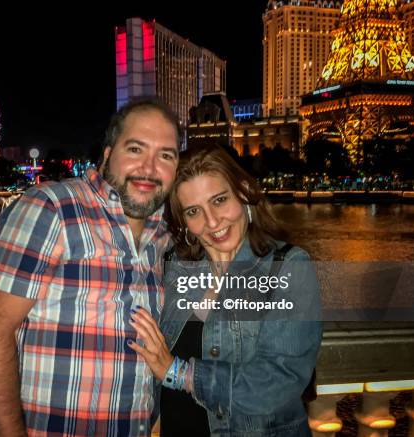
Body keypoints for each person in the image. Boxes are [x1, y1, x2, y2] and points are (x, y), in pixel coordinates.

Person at [0, 99, 181, 437]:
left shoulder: (164, 237)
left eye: (166, 155)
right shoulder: (51, 207)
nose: (150, 167)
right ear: (108, 154)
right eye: (136, 149)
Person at [128, 145, 322, 436]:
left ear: (243, 192)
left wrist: (177, 372)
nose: (213, 222)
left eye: (219, 200)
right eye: (194, 211)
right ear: (183, 221)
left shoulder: (288, 267)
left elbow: (278, 383)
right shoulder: (174, 267)